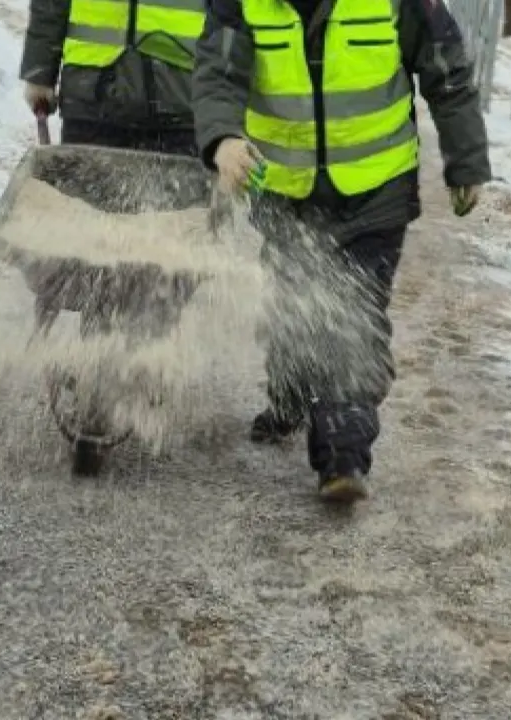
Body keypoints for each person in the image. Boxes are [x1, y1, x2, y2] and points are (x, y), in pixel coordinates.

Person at [190, 0, 491, 502]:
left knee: (353, 312)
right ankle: (288, 396)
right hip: (288, 198)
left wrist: (467, 160)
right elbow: (218, 73)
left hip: (376, 192)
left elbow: (446, 66)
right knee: (294, 307)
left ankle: (342, 454)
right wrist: (222, 139)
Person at [19, 0, 210, 155]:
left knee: (183, 200)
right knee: (80, 199)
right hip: (93, 99)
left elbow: (230, 18)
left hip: (180, 103)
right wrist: (40, 70)